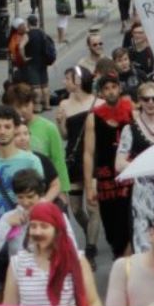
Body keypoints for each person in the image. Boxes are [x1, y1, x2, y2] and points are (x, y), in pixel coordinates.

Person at [0, 106, 42, 301]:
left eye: (7, 126)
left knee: (25, 299)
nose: (2, 131)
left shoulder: (31, 161)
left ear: (15, 128)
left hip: (24, 241)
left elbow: (40, 202)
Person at [117, 83, 154, 254]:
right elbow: (119, 164)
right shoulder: (130, 129)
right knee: (144, 243)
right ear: (139, 101)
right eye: (146, 99)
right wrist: (146, 168)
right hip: (142, 195)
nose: (150, 102)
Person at [84, 73, 135, 258]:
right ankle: (118, 253)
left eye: (114, 87)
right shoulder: (93, 117)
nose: (111, 91)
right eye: (106, 89)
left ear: (119, 89)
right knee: (111, 224)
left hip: (129, 176)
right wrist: (89, 186)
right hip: (106, 178)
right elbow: (88, 153)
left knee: (129, 220)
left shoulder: (132, 112)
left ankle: (127, 259)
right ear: (101, 93)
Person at [56, 66, 100, 267]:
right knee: (75, 208)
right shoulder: (64, 104)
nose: (65, 82)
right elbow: (65, 135)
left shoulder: (97, 103)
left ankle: (90, 248)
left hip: (94, 159)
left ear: (79, 81)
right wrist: (60, 124)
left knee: (93, 206)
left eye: (68, 78)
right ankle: (88, 229)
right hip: (73, 161)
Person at [6, 84, 68, 189]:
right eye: (18, 106)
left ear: (33, 103)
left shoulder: (49, 128)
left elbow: (58, 161)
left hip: (46, 187)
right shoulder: (8, 129)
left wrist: (62, 190)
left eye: (27, 105)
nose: (23, 110)